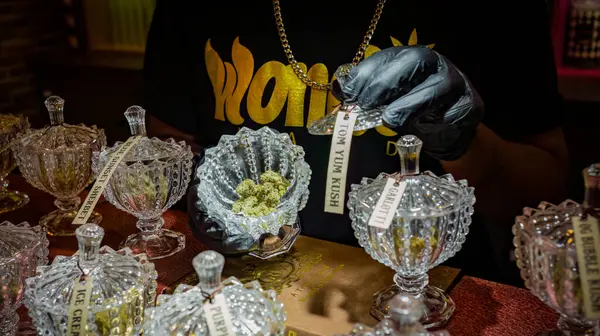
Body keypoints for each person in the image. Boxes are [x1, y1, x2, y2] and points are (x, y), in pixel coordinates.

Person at [143, 0, 568, 284]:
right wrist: (204, 192)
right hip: (247, 280)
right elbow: (166, 139)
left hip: (423, 288)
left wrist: (463, 142)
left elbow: (543, 190)